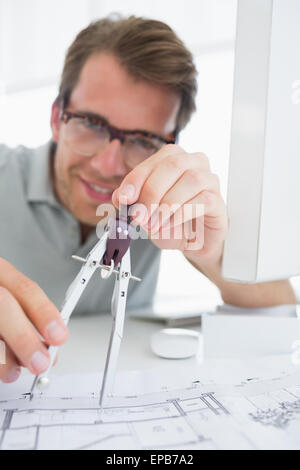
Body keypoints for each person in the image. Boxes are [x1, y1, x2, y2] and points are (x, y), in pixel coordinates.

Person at [0, 16, 295, 385]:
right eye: (90, 124)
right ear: (57, 117)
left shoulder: (158, 204)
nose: (107, 165)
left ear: (169, 147)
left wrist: (214, 253)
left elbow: (283, 310)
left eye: (141, 140)